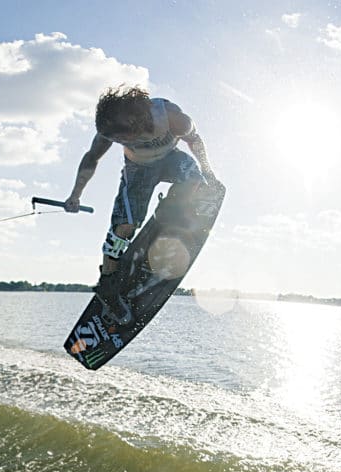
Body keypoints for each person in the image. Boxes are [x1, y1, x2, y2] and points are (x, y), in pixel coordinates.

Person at [64, 85, 223, 318]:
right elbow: (91, 158)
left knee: (192, 179)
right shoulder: (109, 129)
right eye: (114, 138)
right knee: (124, 227)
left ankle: (170, 216)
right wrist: (75, 195)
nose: (118, 141)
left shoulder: (172, 118)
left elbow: (195, 142)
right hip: (138, 169)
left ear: (136, 121)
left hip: (170, 160)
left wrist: (209, 173)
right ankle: (107, 285)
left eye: (122, 137)